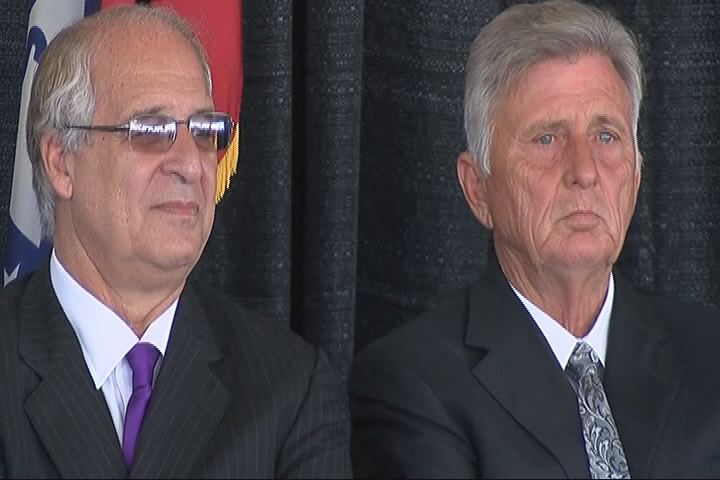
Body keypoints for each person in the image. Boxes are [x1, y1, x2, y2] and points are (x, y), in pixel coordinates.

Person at [350, 0, 720, 478]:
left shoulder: (709, 353)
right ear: (477, 188)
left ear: (637, 175)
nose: (584, 171)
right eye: (547, 139)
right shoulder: (413, 383)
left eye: (606, 136)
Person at [0, 5, 350, 478]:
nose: (191, 164)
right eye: (151, 131)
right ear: (62, 163)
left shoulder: (289, 386)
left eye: (206, 131)